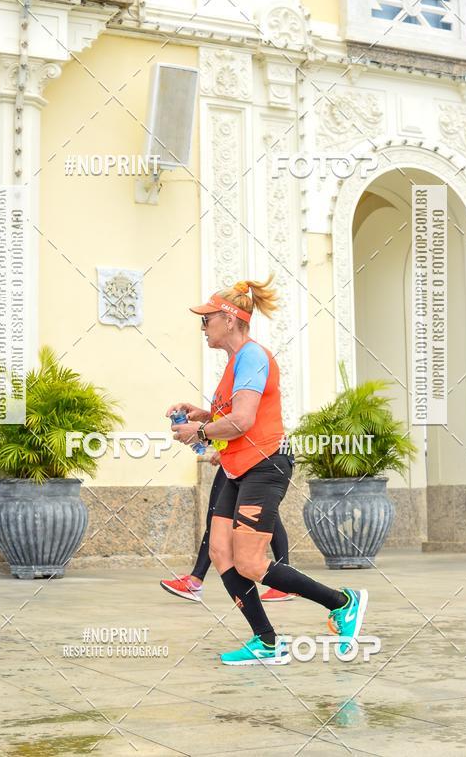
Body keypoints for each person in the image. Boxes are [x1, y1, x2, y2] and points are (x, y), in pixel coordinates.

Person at [170, 277, 368, 666]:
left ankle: (343, 602)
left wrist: (200, 432)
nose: (202, 328)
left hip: (265, 465)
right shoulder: (234, 363)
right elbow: (237, 413)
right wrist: (204, 413)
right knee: (220, 551)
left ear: (229, 319)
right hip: (238, 467)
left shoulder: (253, 356)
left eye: (206, 319)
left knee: (250, 562)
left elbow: (242, 420)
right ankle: (265, 640)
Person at [159, 451, 294, 603]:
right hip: (251, 457)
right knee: (268, 515)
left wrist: (225, 447)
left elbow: (243, 427)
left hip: (253, 456)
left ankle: (195, 581)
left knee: (218, 514)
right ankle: (285, 582)